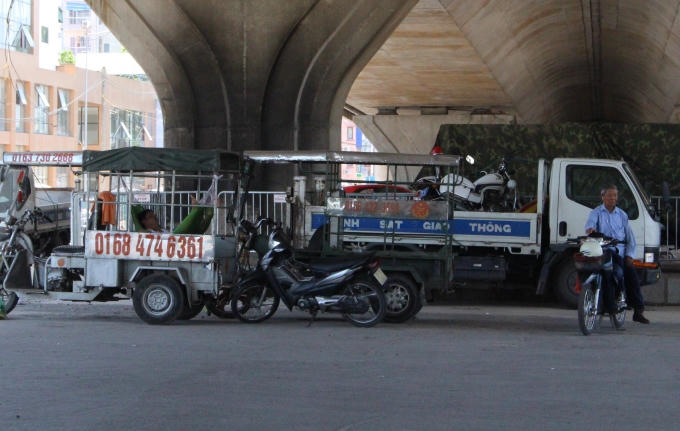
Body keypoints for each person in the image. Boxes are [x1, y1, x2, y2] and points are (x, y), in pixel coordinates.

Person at [585, 184, 649, 324]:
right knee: (611, 274)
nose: (612, 198)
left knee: (632, 277)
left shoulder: (622, 215)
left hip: (621, 252)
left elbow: (630, 237)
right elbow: (590, 227)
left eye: (615, 195)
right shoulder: (596, 213)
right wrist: (591, 231)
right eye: (609, 195)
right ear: (603, 197)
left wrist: (630, 255)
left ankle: (638, 311)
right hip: (604, 252)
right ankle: (608, 304)